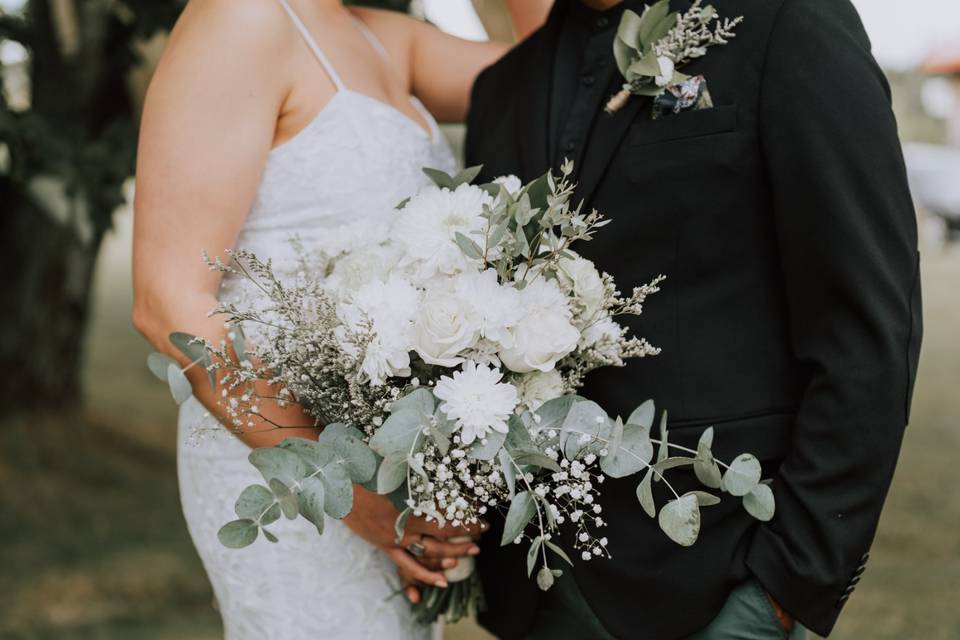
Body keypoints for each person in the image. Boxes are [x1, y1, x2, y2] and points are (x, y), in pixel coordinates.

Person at [465, 0, 923, 638]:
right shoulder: (501, 87)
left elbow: (868, 327)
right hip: (532, 593)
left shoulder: (787, 23)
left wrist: (782, 590)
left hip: (718, 576)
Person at [131, 1, 550, 638]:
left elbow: (565, 67)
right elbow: (169, 304)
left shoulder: (383, 36)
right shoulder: (239, 17)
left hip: (386, 466)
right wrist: (353, 497)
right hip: (287, 470)